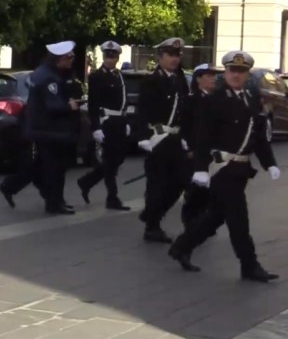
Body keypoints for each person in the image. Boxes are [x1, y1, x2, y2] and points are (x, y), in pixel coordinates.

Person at [168, 51, 280, 282]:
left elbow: (257, 137)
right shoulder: (214, 101)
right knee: (239, 219)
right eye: (232, 70)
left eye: (241, 71)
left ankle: (181, 247)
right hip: (221, 169)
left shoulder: (251, 97)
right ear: (226, 72)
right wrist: (200, 168)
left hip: (240, 169)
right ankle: (249, 265)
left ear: (247, 74)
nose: (236, 75)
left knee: (216, 216)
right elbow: (203, 138)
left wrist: (270, 164)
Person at [2, 41, 82, 215]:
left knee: (39, 167)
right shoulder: (48, 77)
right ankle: (53, 203)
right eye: (68, 57)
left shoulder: (47, 72)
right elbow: (52, 105)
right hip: (48, 130)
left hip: (45, 129)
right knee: (54, 168)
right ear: (58, 59)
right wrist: (70, 105)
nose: (71, 60)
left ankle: (11, 186)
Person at [136, 38, 191, 243]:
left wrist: (187, 137)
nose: (175, 59)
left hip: (175, 139)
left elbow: (184, 111)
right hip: (157, 139)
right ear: (161, 57)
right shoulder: (151, 81)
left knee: (180, 182)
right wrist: (142, 137)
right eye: (170, 55)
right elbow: (142, 112)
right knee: (157, 185)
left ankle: (151, 213)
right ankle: (152, 226)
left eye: (177, 55)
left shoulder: (180, 79)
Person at [76, 41, 131, 210]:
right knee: (110, 160)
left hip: (119, 121)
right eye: (107, 56)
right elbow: (93, 104)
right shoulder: (96, 76)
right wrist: (96, 128)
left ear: (117, 57)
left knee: (118, 159)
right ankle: (112, 197)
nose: (110, 59)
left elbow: (123, 100)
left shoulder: (120, 75)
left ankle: (86, 182)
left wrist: (126, 120)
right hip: (107, 122)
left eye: (113, 56)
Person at [180, 63, 219, 229]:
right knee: (195, 189)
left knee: (208, 189)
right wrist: (188, 148)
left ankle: (201, 219)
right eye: (208, 75)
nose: (213, 78)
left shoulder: (215, 99)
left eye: (213, 75)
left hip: (212, 152)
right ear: (198, 79)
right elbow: (185, 127)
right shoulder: (191, 100)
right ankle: (190, 221)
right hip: (195, 151)